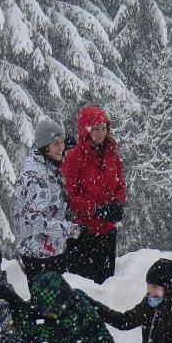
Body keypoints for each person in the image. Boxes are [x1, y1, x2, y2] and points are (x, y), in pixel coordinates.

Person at [60, 105, 126, 283]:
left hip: (108, 231)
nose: (101, 133)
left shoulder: (112, 156)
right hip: (83, 233)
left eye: (104, 128)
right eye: (96, 129)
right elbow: (70, 196)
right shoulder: (74, 158)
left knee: (106, 284)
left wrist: (117, 203)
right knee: (83, 286)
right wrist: (95, 209)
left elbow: (120, 185)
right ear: (86, 130)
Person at [15, 118, 79, 283]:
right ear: (44, 146)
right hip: (39, 254)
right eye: (55, 144)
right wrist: (71, 230)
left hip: (51, 250)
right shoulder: (35, 175)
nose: (61, 147)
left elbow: (51, 205)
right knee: (47, 298)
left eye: (62, 142)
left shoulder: (48, 165)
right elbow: (37, 220)